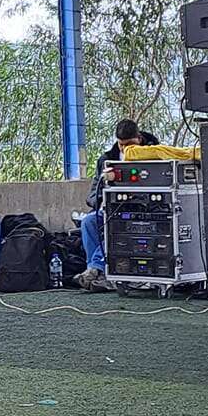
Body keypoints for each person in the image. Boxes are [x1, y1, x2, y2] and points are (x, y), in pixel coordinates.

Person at [74, 119, 158, 292]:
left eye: (130, 144)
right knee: (89, 221)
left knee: (117, 225)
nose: (125, 148)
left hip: (142, 211)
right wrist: (101, 201)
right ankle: (95, 271)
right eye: (122, 145)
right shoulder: (107, 159)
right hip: (110, 209)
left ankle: (96, 270)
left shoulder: (154, 154)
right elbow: (93, 193)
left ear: (139, 139)